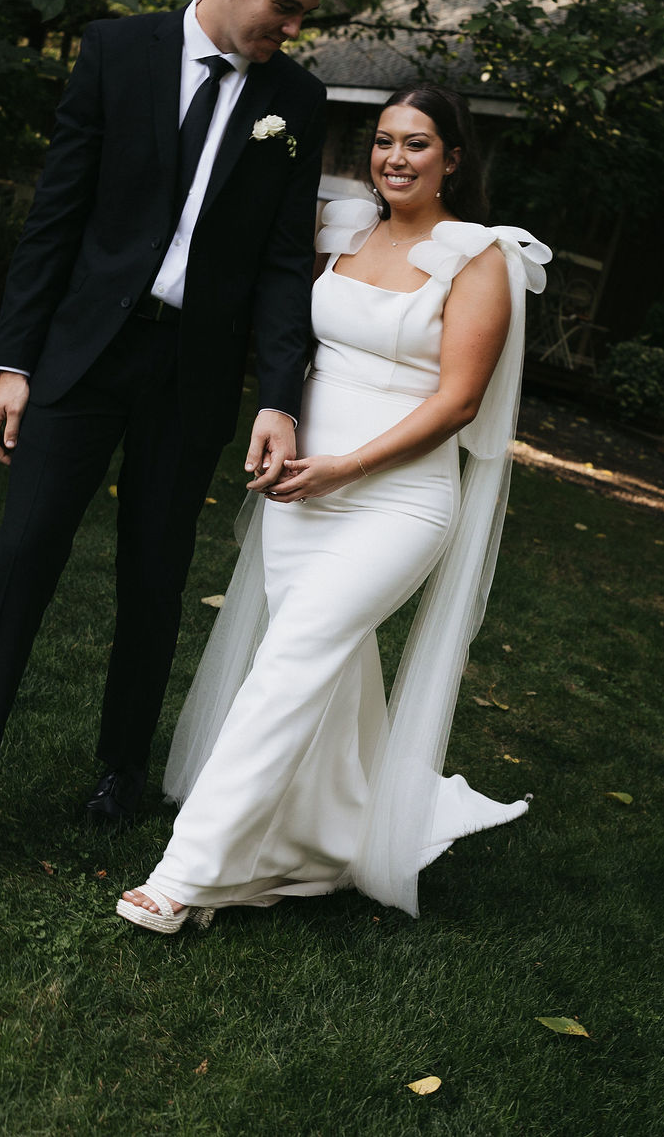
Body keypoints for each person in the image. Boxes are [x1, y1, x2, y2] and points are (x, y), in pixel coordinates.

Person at [0, 0, 342, 887]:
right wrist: (13, 363)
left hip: (192, 374)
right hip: (85, 358)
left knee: (155, 574)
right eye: (284, 6)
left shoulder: (294, 101)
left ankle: (120, 765)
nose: (291, 29)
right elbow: (55, 219)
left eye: (301, 15)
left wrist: (276, 394)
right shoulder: (115, 54)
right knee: (21, 560)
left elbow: (283, 260)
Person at [117, 84, 550, 931]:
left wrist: (345, 466)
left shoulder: (483, 257)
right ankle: (322, 838)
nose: (395, 157)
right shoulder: (345, 230)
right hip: (302, 486)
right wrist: (282, 425)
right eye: (384, 140)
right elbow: (282, 323)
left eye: (418, 144)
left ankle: (186, 874)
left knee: (291, 664)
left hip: (396, 500)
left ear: (453, 158)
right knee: (323, 667)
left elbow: (458, 403)